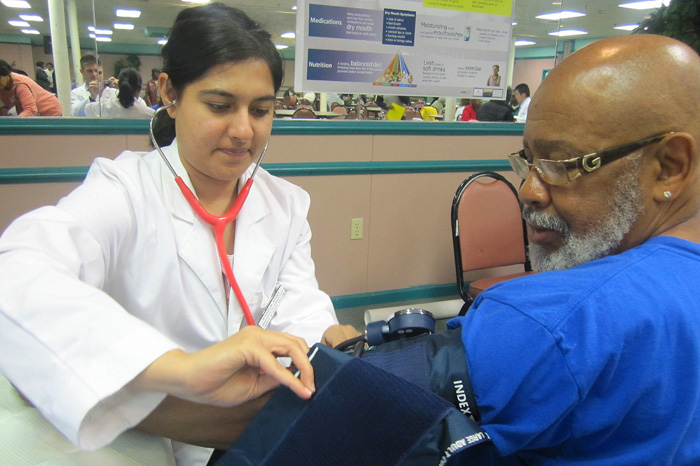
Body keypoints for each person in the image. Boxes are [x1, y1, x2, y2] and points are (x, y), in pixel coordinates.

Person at [226, 33, 700, 465]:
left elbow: (315, 416)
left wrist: (161, 381)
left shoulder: (551, 324)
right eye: (529, 161)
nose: (530, 190)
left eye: (562, 164)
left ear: (670, 166)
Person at [0, 3, 354, 466]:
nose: (244, 131)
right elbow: (17, 272)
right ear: (169, 92)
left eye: (262, 110)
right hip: (160, 434)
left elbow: (296, 299)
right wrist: (180, 369)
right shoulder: (125, 191)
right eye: (220, 106)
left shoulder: (285, 203)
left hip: (261, 429)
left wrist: (324, 337)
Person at [85, 67, 155, 118]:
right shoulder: (149, 114)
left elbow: (88, 111)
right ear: (139, 89)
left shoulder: (106, 107)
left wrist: (94, 95)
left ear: (119, 85)